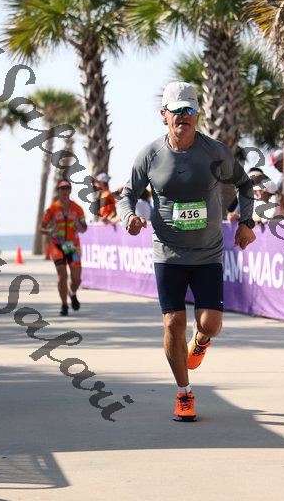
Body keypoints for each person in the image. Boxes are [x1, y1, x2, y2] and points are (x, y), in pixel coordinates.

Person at [118, 81, 256, 422]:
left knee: (210, 324)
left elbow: (244, 184)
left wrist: (246, 222)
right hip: (168, 253)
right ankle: (184, 393)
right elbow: (127, 194)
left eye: (189, 110)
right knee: (173, 323)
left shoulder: (215, 152)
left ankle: (202, 340)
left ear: (197, 114)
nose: (184, 115)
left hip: (208, 253)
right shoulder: (150, 155)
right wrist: (129, 217)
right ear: (164, 115)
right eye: (177, 110)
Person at [41, 179, 87, 316]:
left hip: (72, 246)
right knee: (62, 275)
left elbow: (84, 227)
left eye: (67, 189)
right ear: (58, 191)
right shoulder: (52, 209)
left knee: (77, 279)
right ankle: (64, 305)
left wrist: (81, 227)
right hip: (57, 246)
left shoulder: (77, 208)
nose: (65, 192)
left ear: (70, 191)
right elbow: (41, 228)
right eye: (62, 189)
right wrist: (50, 231)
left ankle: (72, 293)